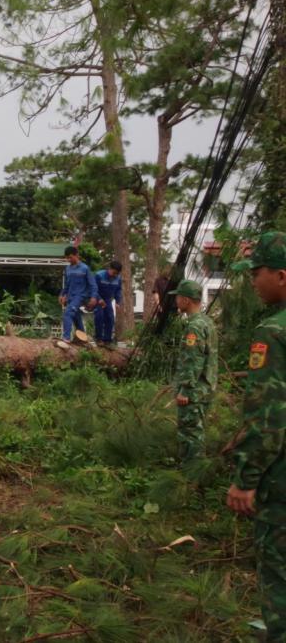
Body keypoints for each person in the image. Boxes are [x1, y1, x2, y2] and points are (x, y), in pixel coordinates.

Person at [224, 231, 286, 638]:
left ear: (281, 275)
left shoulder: (273, 331)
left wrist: (246, 480)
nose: (252, 281)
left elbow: (269, 417)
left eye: (256, 272)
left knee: (278, 576)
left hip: (280, 482)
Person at [168, 279, 217, 465]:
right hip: (205, 388)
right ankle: (196, 473)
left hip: (194, 392)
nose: (176, 301)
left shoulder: (194, 326)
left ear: (186, 300)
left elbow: (193, 360)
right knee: (197, 432)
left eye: (178, 297)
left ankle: (190, 475)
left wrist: (185, 389)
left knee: (190, 435)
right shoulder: (207, 322)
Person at [58, 246, 99, 342]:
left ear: (77, 255)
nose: (68, 260)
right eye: (67, 258)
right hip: (70, 297)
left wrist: (93, 297)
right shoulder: (67, 269)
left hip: (80, 296)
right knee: (76, 318)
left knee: (68, 313)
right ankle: (83, 340)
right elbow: (67, 285)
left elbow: (93, 284)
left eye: (70, 257)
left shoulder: (85, 268)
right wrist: (62, 294)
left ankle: (66, 338)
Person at [94, 261, 123, 345]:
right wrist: (99, 299)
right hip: (98, 298)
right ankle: (99, 338)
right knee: (99, 317)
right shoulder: (99, 275)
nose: (115, 275)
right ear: (109, 269)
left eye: (117, 273)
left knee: (110, 318)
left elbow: (118, 290)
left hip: (108, 299)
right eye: (114, 272)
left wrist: (118, 301)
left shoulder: (118, 278)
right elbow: (93, 289)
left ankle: (107, 340)